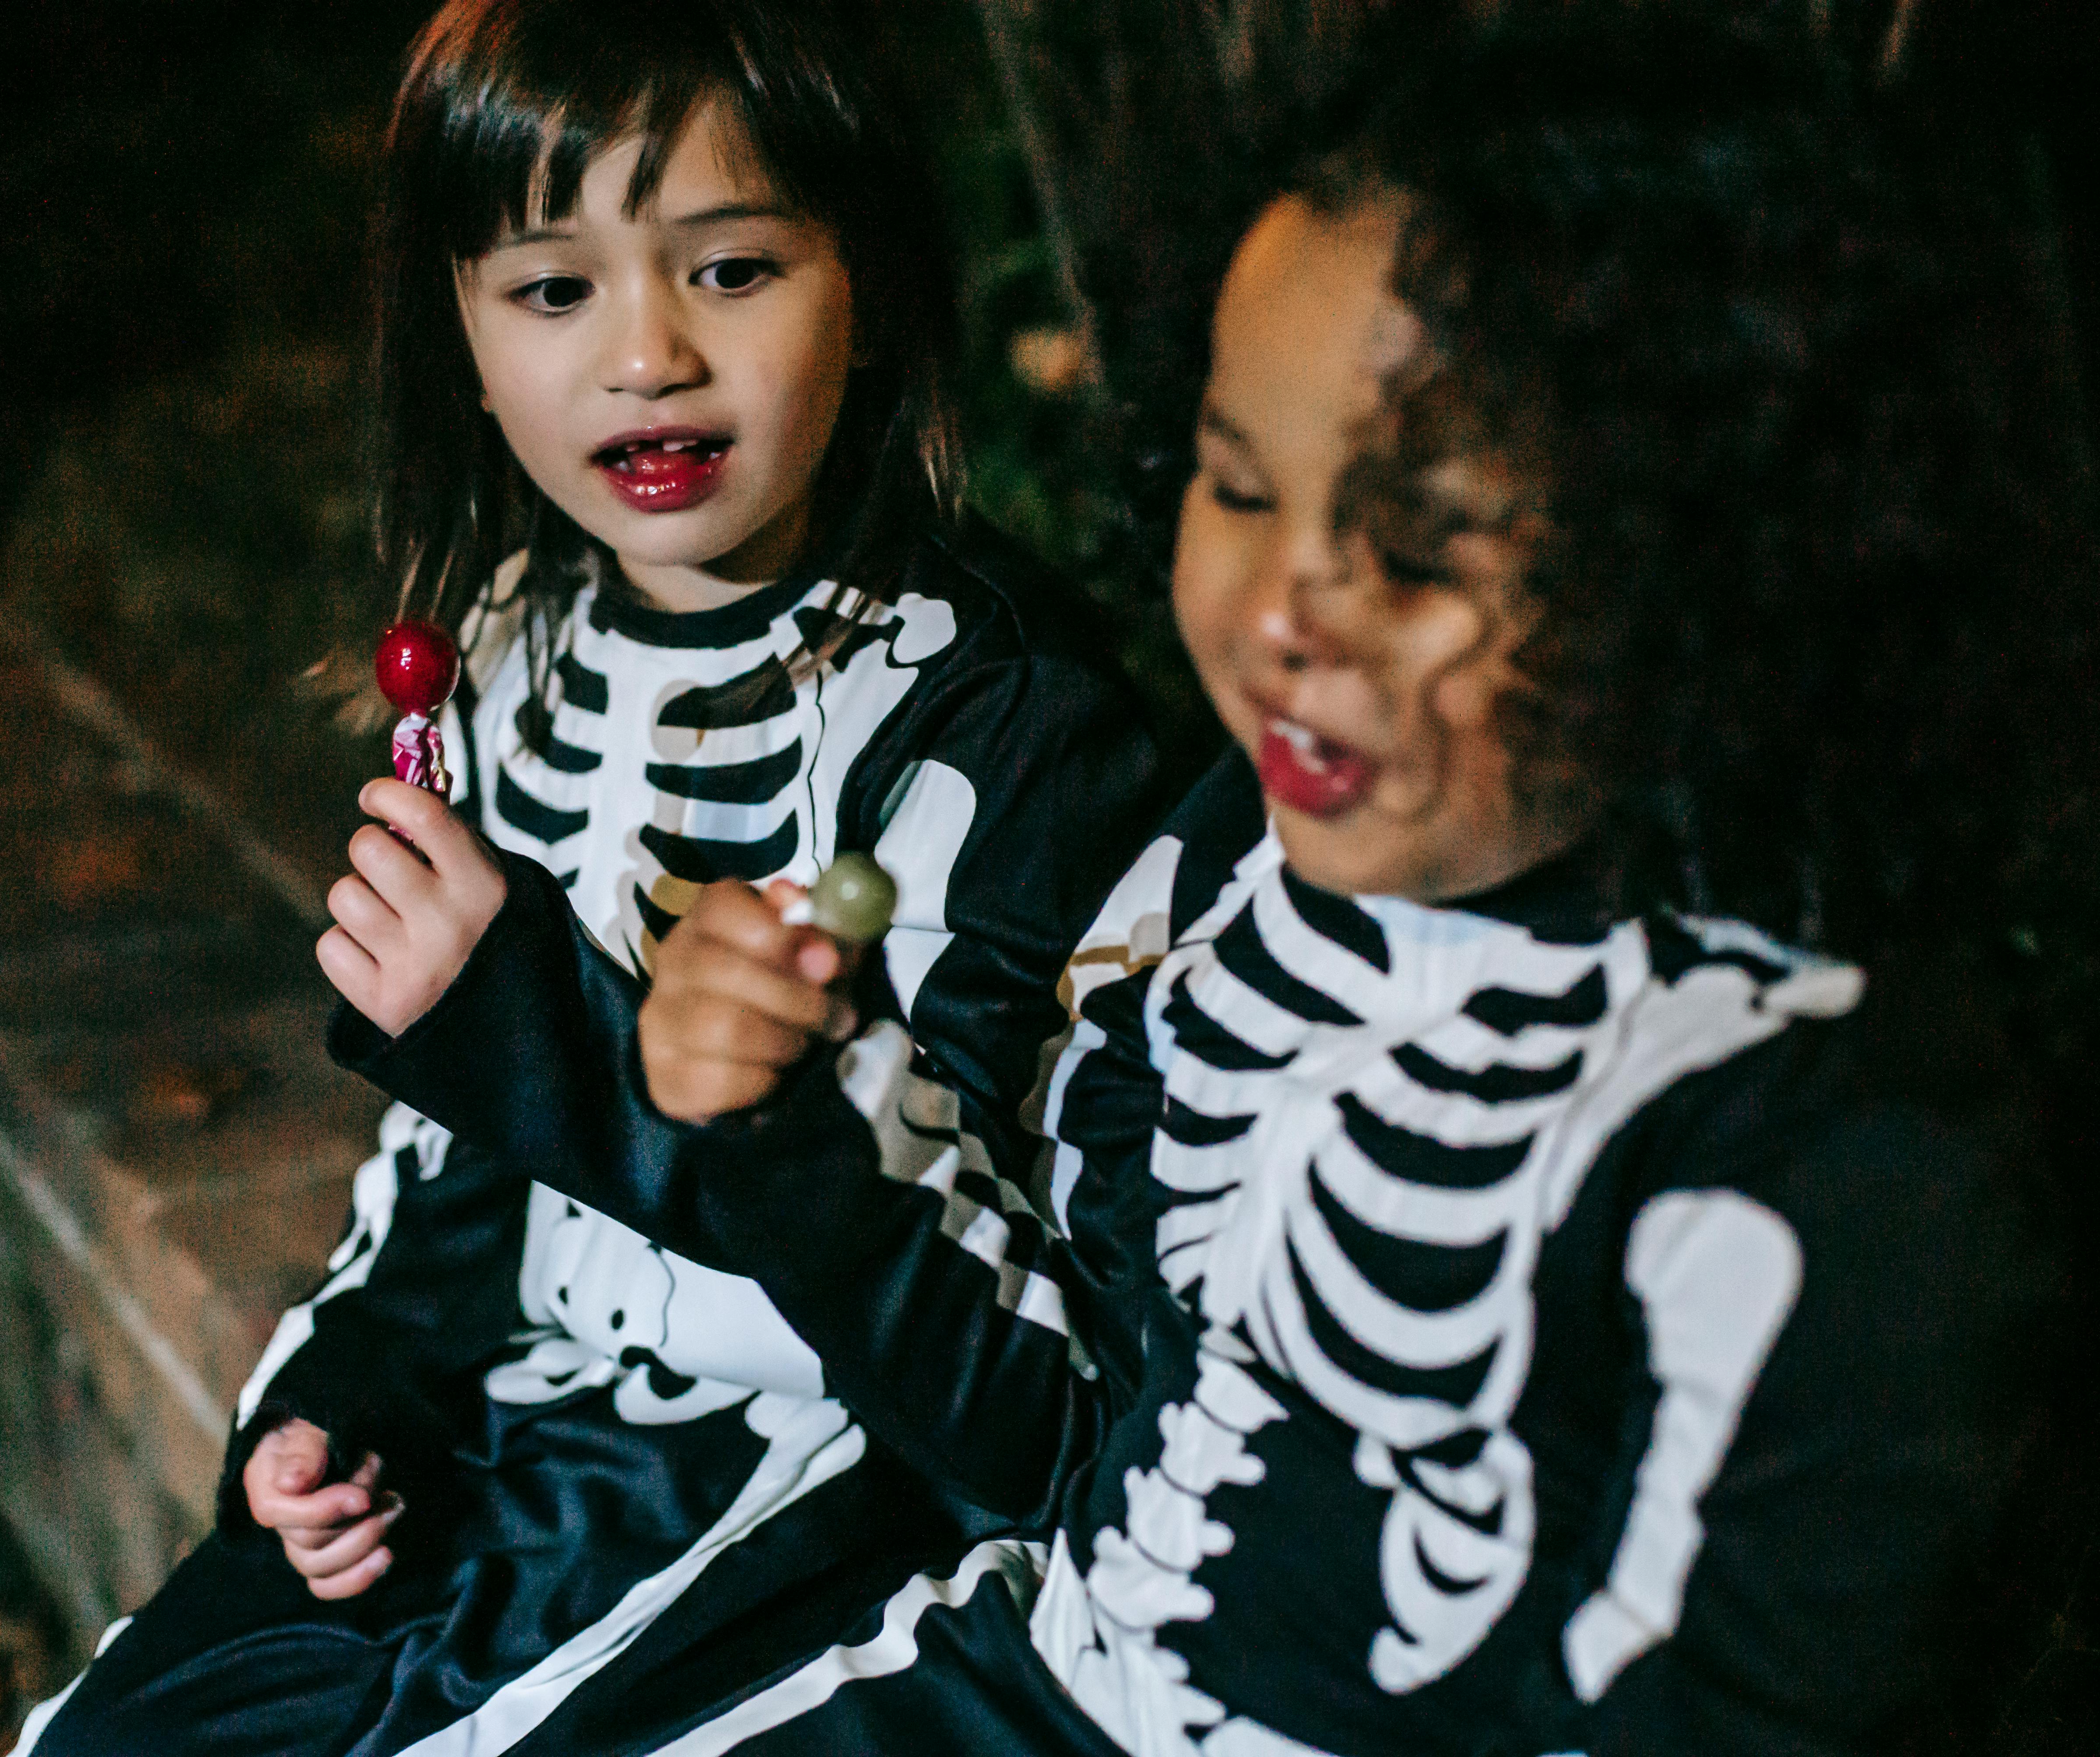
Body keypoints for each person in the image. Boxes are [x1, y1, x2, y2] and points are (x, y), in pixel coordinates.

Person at [432, 19, 2068, 1755]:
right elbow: (1057, 1454)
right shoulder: (1220, 875)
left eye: (1419, 546)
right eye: (1236, 485)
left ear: (1718, 553)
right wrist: (789, 1134)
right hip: (1013, 1680)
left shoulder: (1829, 1152)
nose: (1286, 614)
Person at [15, 0, 1158, 1750]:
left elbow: (1030, 1387)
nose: (647, 358)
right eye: (555, 291)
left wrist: (530, 1021)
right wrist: (336, 1409)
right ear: (461, 342)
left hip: (843, 1476)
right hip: (509, 1433)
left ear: (873, 289)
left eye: (733, 270)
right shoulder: (503, 658)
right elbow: (442, 1191)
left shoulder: (999, 734)